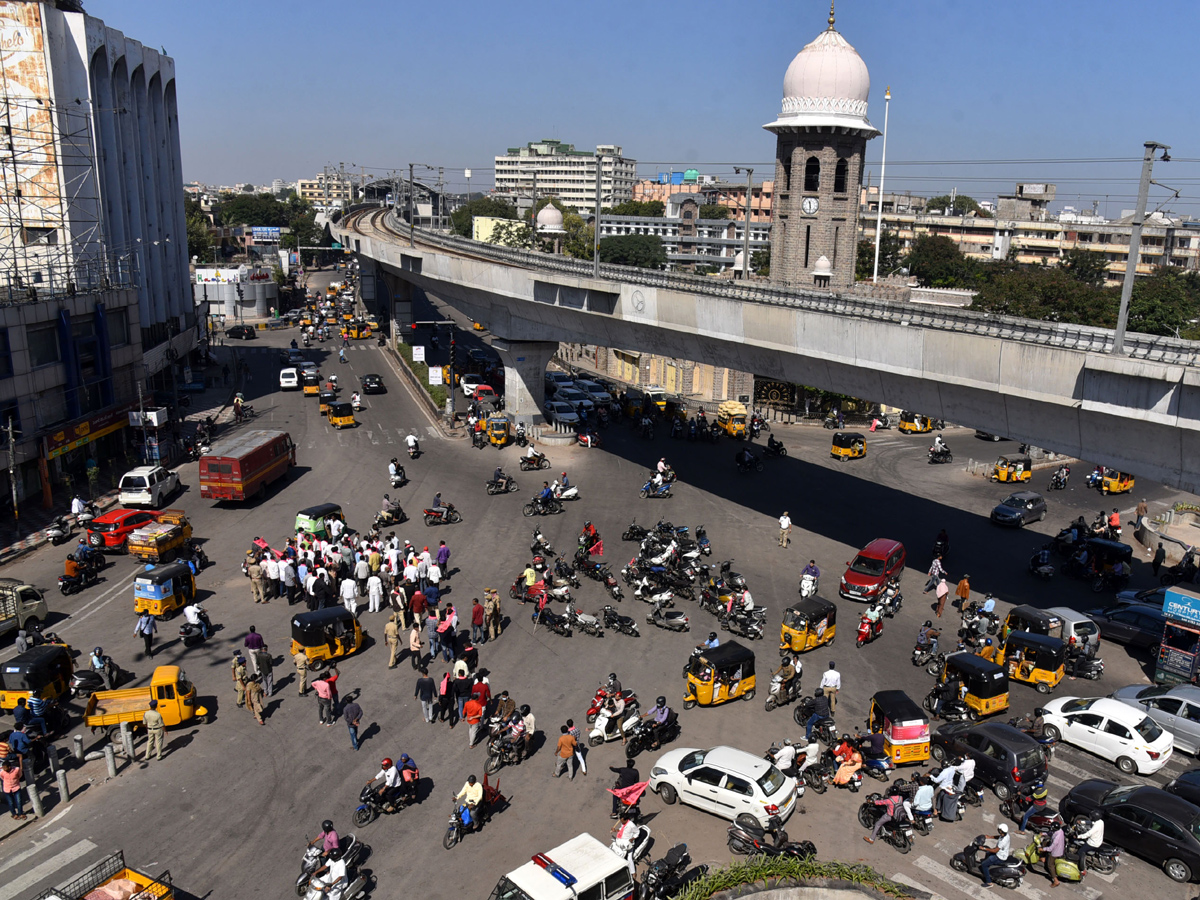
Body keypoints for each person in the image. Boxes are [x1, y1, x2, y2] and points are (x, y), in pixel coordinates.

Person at [1041, 817, 1066, 887]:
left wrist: (1043, 849)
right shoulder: (1060, 831)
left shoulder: (1057, 838)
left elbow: (1050, 848)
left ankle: (1055, 880)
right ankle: (1044, 858)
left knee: (1050, 865)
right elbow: (1051, 833)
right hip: (1060, 849)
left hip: (1055, 852)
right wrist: (1043, 833)